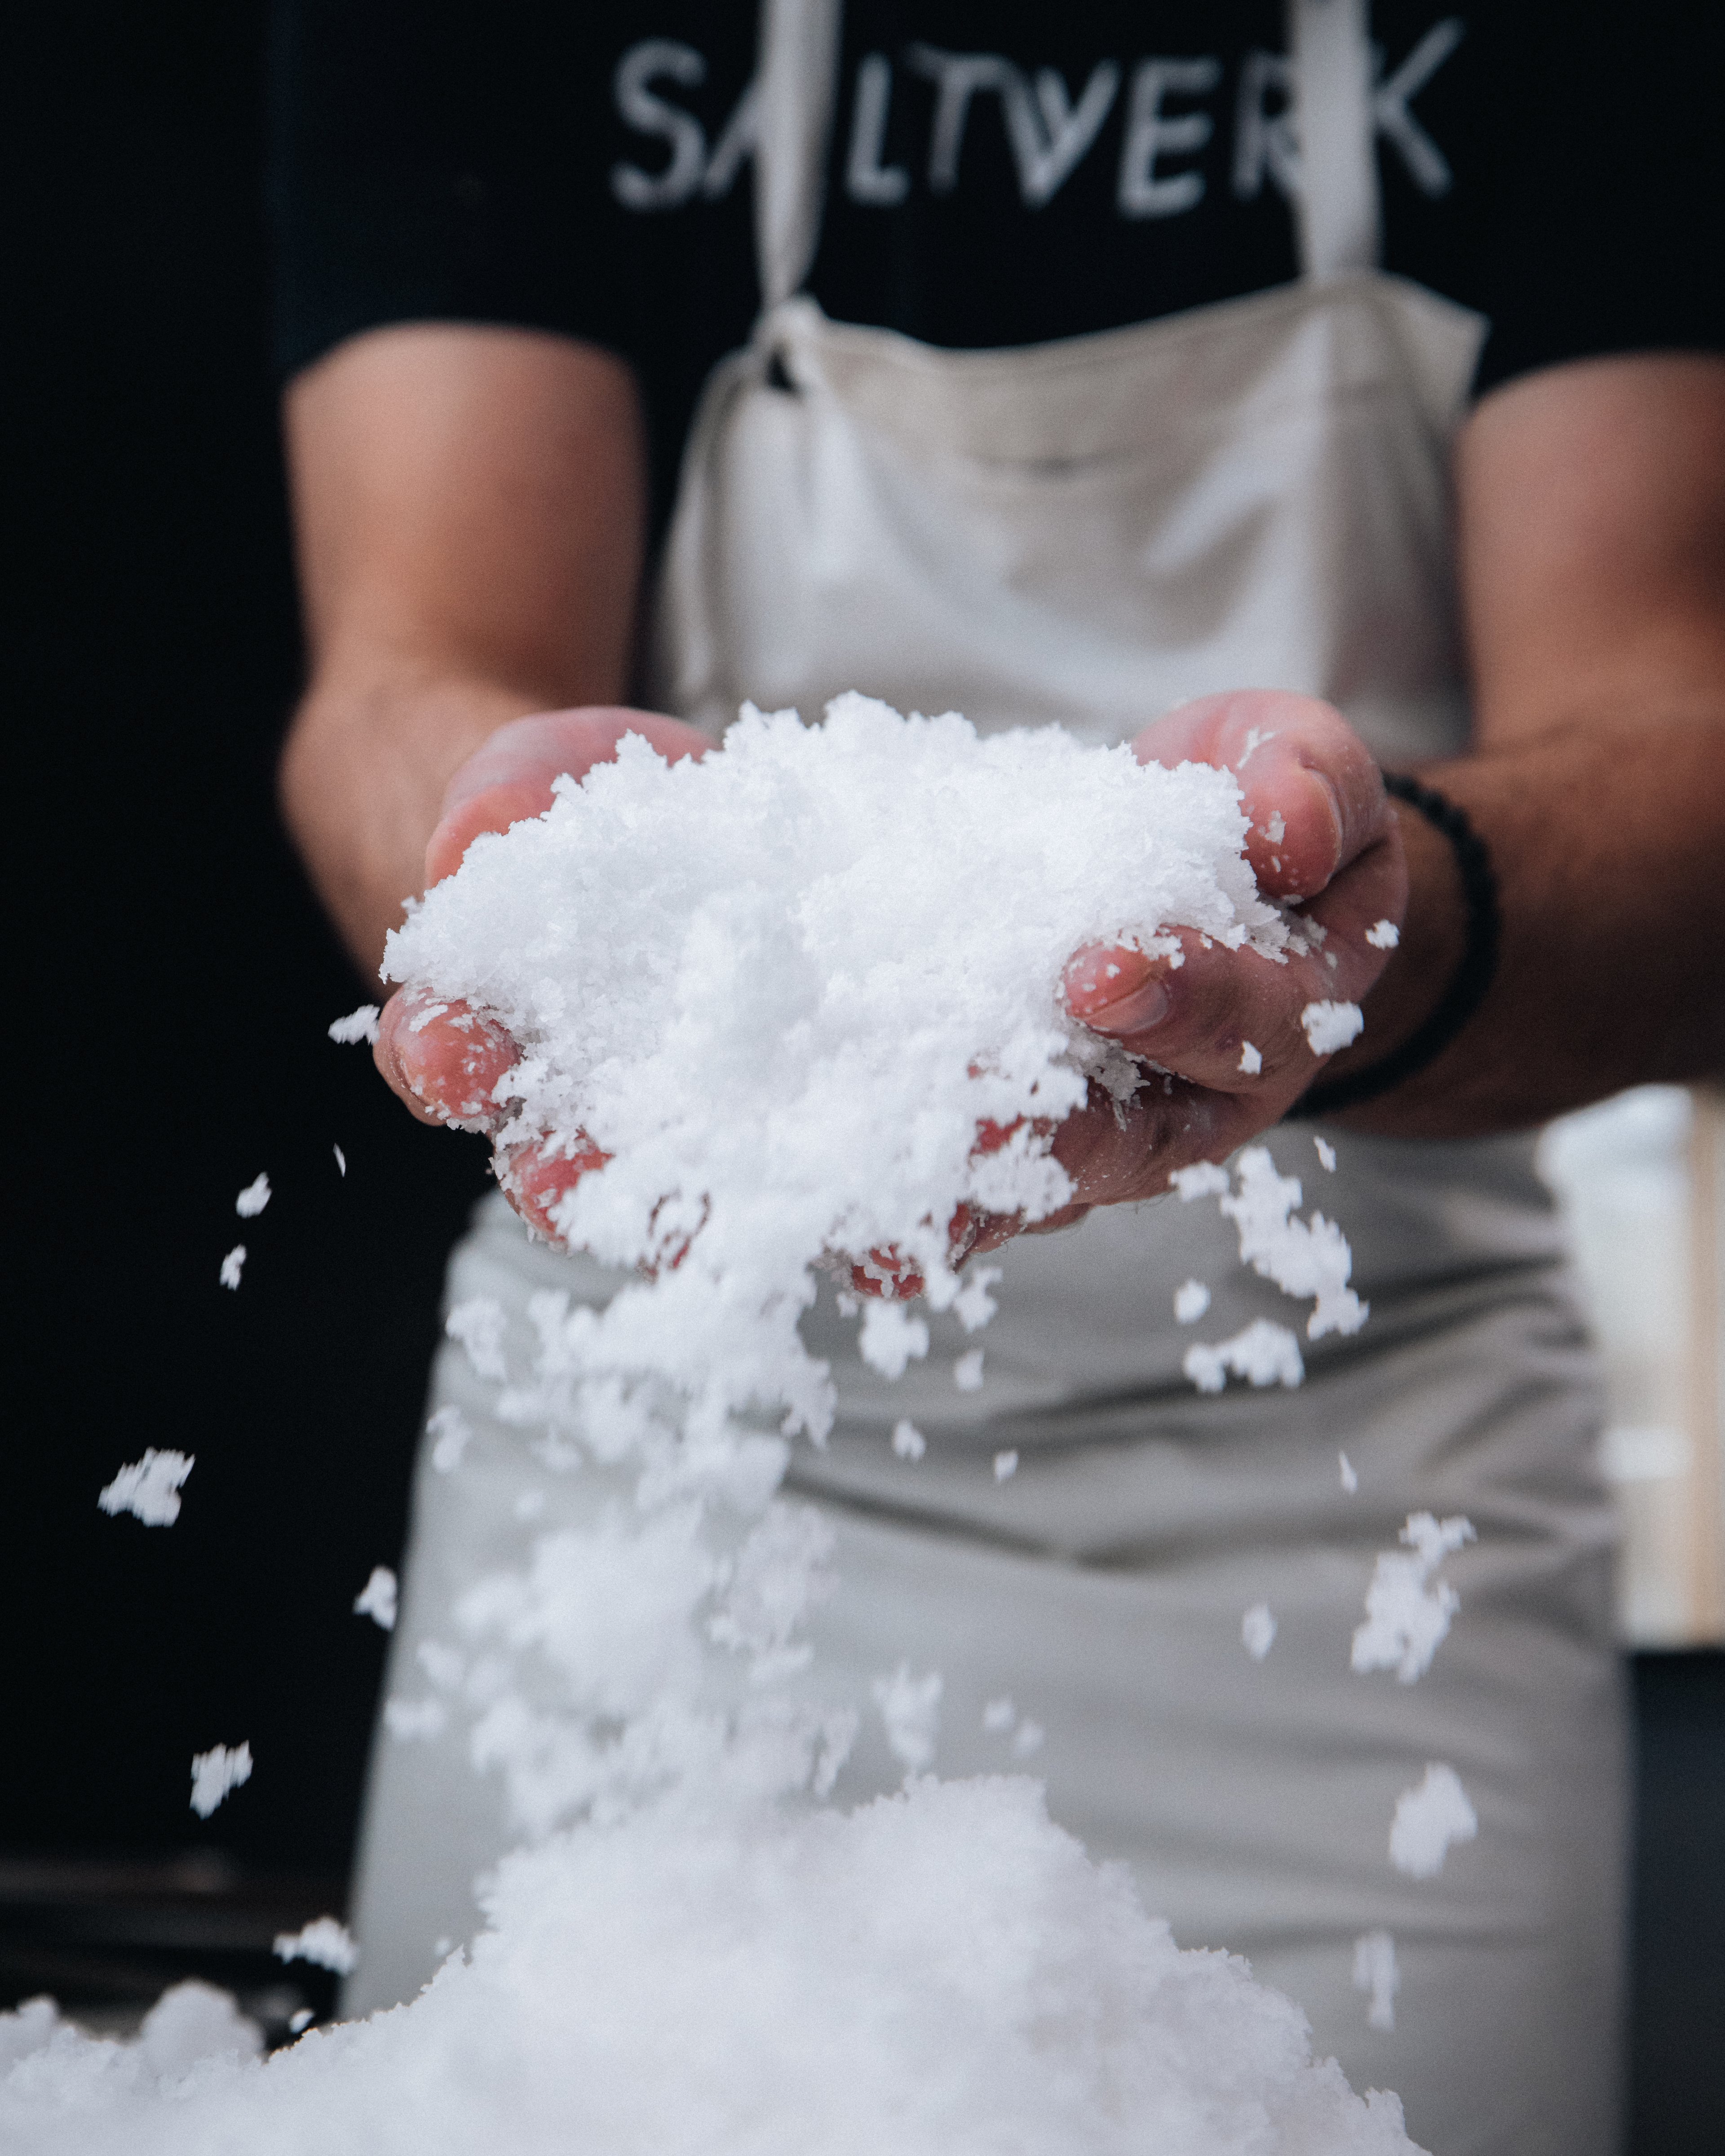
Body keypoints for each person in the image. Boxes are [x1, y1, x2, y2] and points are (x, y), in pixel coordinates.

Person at [270, 3, 1724, 2148]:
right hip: (665, 1467)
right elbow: (405, 663)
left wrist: (1354, 939)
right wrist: (508, 862)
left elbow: (1679, 755)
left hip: (1347, 1520)